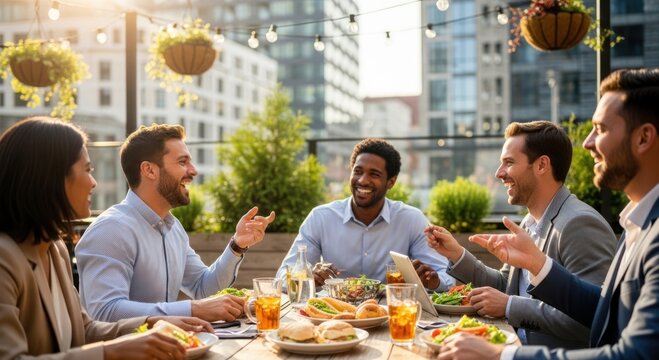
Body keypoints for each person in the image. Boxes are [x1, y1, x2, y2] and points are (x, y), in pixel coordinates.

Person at [437, 68, 659, 360]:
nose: (587, 143)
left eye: (601, 129)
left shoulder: (584, 222)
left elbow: (633, 353)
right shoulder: (636, 223)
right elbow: (604, 307)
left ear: (644, 138)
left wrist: (503, 355)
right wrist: (539, 265)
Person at [0, 117, 212, 359]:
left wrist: (152, 324)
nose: (93, 182)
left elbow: (85, 329)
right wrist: (112, 351)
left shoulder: (54, 250)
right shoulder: (5, 259)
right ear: (49, 176)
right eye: (88, 170)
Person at [425, 121, 617, 348]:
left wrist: (509, 306)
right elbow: (507, 285)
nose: (499, 173)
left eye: (509, 162)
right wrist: (457, 254)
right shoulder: (529, 222)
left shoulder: (579, 224)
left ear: (542, 165)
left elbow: (591, 319)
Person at [76, 124, 275, 323]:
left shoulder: (173, 229)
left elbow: (202, 288)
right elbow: (104, 311)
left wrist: (237, 245)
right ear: (149, 170)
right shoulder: (110, 230)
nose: (193, 171)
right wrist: (193, 309)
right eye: (182, 162)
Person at [276, 138, 453, 290]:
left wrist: (432, 281)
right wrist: (306, 279)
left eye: (374, 174)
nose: (363, 180)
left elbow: (446, 278)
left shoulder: (411, 220)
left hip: (391, 314)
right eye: (358, 172)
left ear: (391, 182)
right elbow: (283, 277)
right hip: (336, 315)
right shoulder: (321, 218)